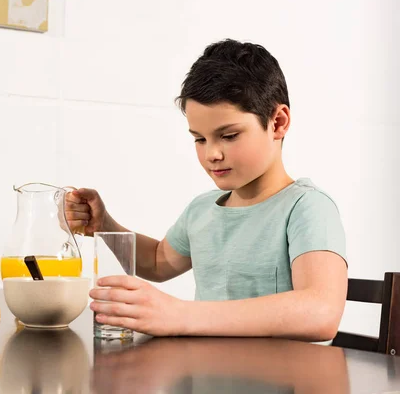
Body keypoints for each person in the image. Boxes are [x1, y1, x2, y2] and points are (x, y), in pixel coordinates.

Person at [66, 39, 348, 342]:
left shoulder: (306, 207)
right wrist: (104, 224)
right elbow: (160, 261)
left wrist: (180, 315)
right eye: (199, 139)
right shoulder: (203, 209)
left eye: (228, 135)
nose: (212, 153)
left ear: (278, 122)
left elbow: (320, 312)